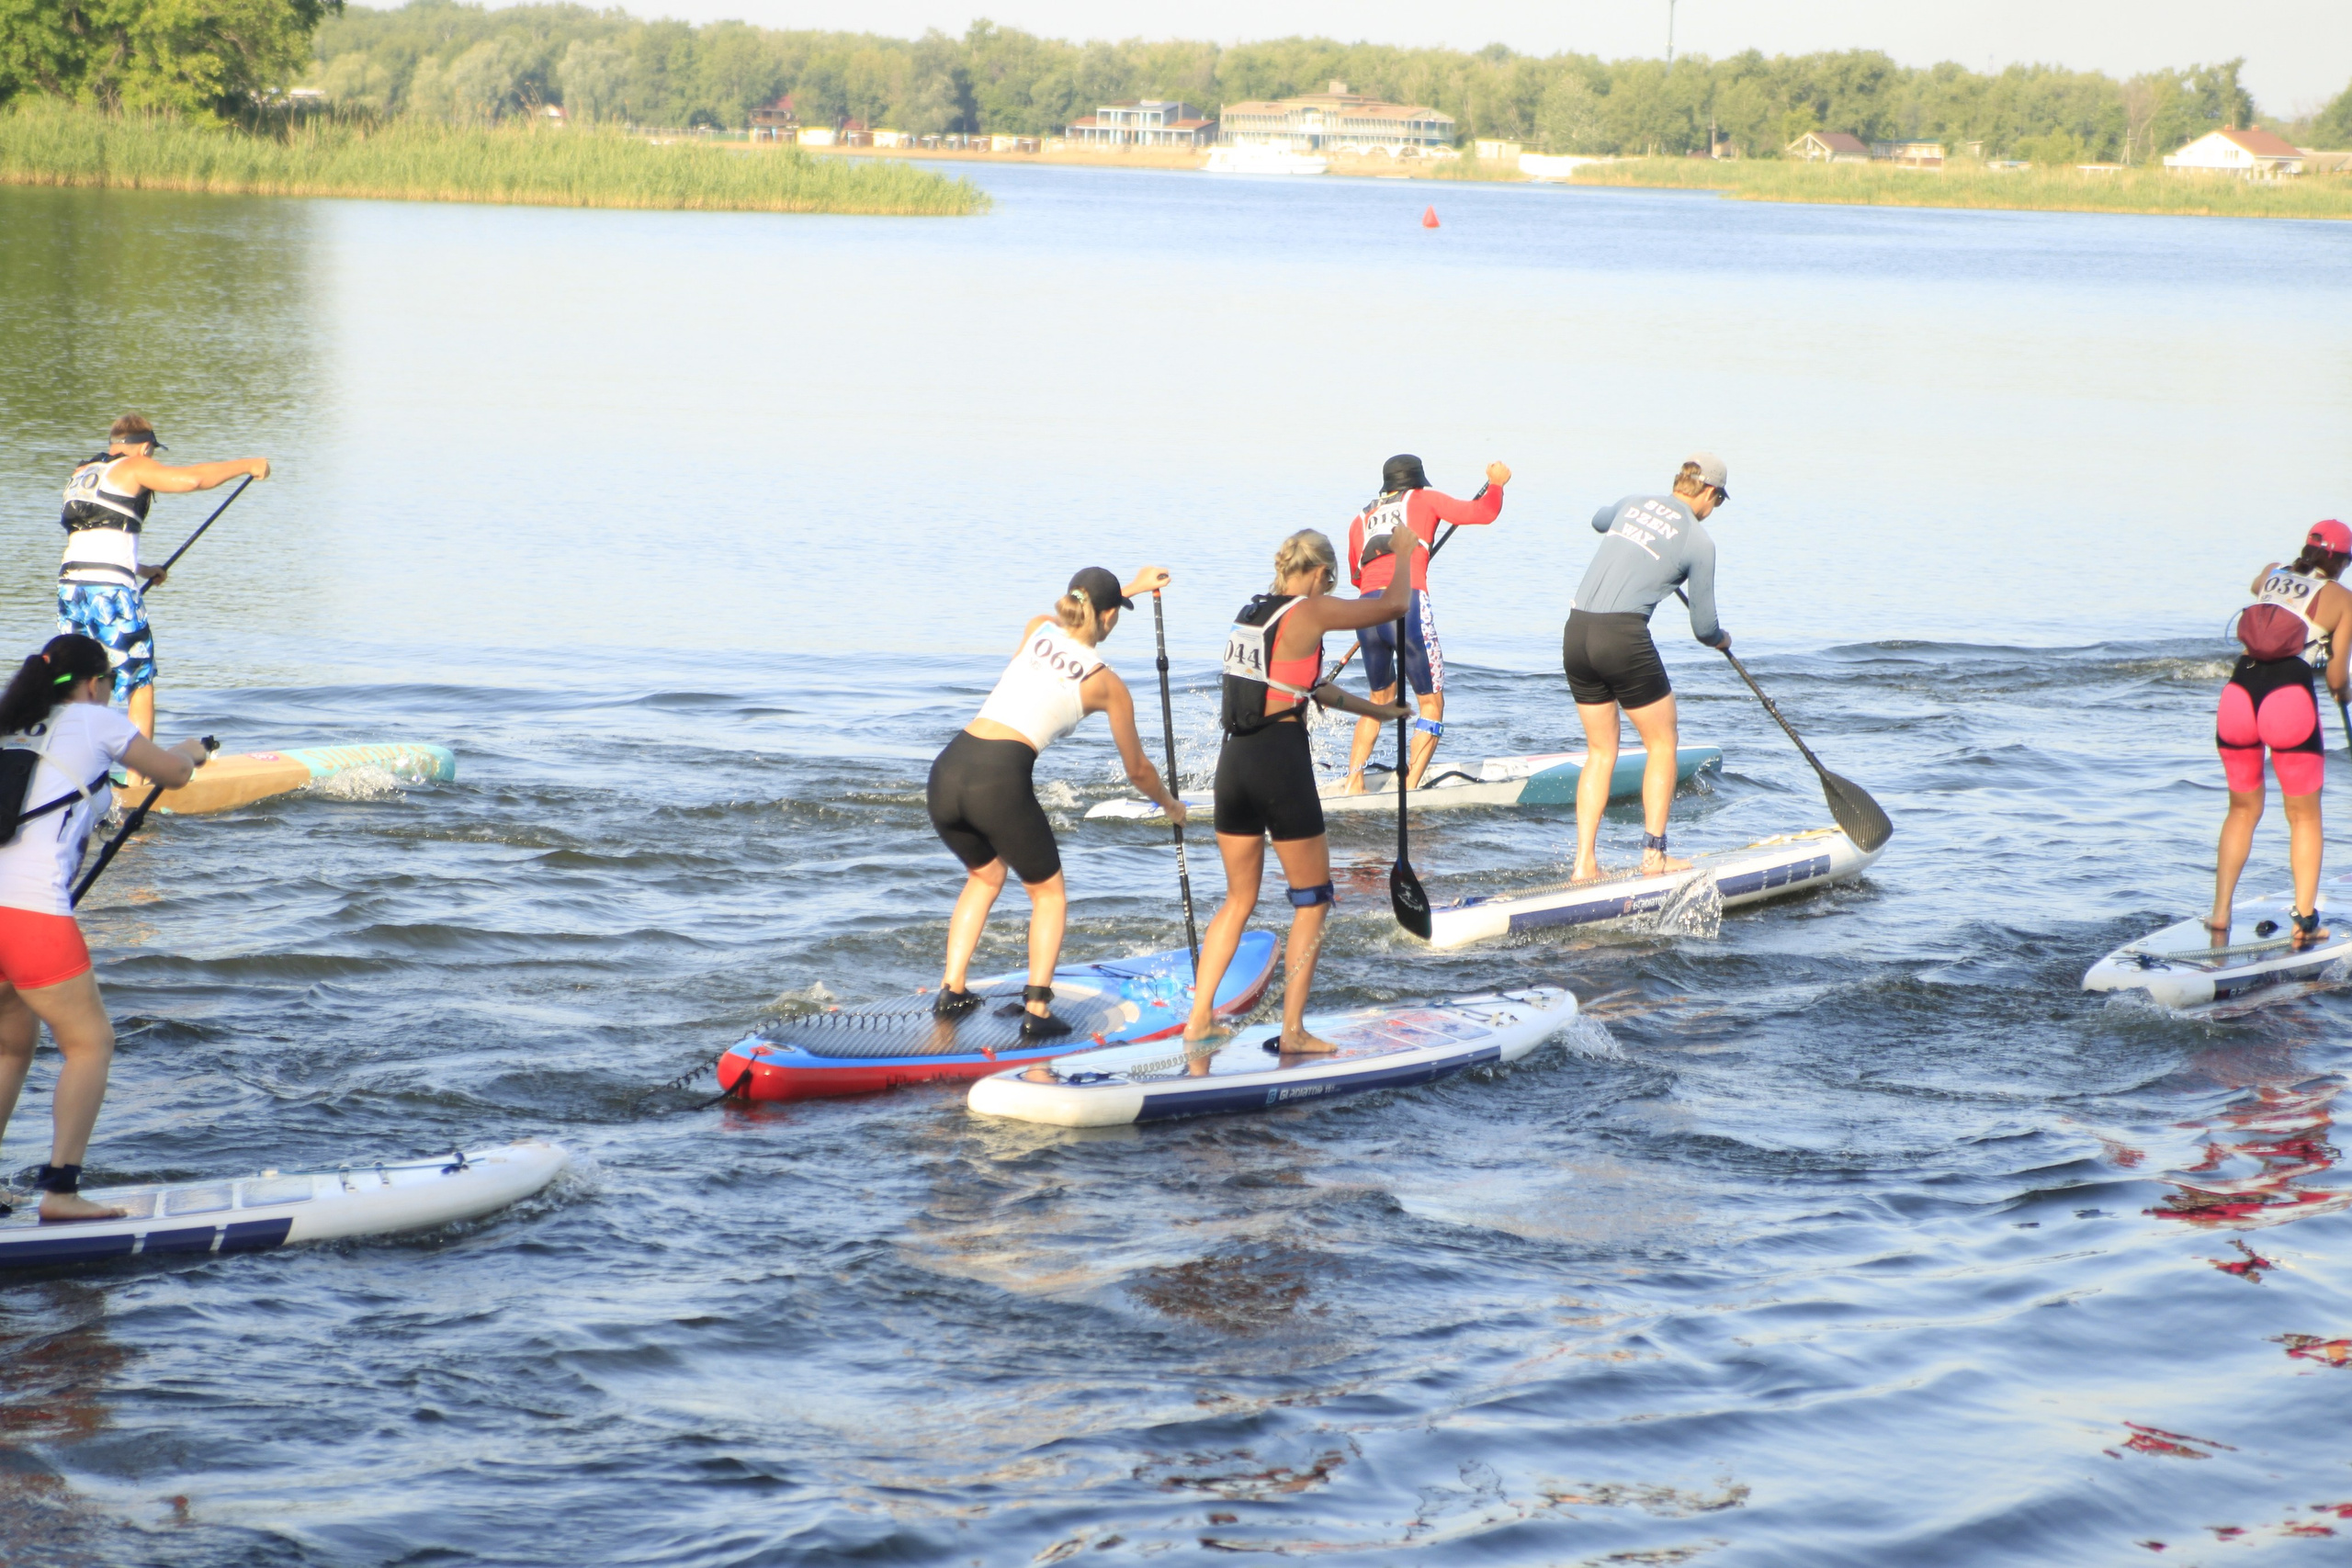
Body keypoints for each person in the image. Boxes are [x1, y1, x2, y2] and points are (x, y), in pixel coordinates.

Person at [1182, 526, 1416, 1057]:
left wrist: (1377, 711)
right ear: (1317, 575)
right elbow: (1395, 603)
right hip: (1278, 764)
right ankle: (1292, 1031)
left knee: (1238, 900)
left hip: (1233, 764)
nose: (1327, 589)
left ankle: (1199, 1020)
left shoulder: (1253, 615)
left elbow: (1303, 686)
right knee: (1313, 899)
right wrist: (1402, 554)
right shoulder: (1310, 611)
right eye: (1328, 581)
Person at [0, 635, 209, 1222]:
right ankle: (61, 1194)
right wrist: (192, 750)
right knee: (91, 1044)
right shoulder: (96, 719)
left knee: (11, 1047)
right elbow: (172, 773)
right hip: (32, 915)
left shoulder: (11, 726)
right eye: (110, 685)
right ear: (95, 685)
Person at [927, 567, 1184, 1039]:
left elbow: (1080, 616)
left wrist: (1127, 588)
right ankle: (1038, 1011)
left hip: (947, 769)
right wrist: (1170, 804)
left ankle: (952, 988)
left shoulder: (1036, 627)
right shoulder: (1107, 683)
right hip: (998, 780)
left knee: (985, 875)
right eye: (1114, 614)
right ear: (1109, 618)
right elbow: (1138, 771)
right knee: (1048, 894)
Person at [1561, 453, 1734, 882]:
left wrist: (1638, 531)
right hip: (1621, 638)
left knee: (1601, 751)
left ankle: (1584, 864)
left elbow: (1601, 520)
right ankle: (1654, 858)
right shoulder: (1699, 541)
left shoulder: (1634, 502)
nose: (1715, 511)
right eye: (1720, 501)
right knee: (1662, 742)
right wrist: (1720, 640)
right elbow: (1703, 626)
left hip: (1576, 631)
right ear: (1709, 492)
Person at [58, 414, 270, 741]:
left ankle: (81, 771)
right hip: (110, 593)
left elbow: (96, 531)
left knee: (83, 684)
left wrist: (142, 569)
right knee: (139, 685)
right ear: (144, 447)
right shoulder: (134, 465)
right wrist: (247, 464)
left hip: (71, 590)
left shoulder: (82, 472)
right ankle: (140, 780)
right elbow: (191, 480)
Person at [2211, 520, 2352, 948]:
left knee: (2241, 810)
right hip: (2288, 698)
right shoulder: (2343, 599)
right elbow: (2335, 678)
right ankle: (2305, 920)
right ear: (2343, 560)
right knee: (2304, 816)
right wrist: (2342, 696)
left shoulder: (2273, 573)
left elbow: (2260, 584)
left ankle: (2220, 915)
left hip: (2237, 694)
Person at [1340, 454, 1510, 794]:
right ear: (1418, 480)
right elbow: (1483, 512)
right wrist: (1497, 484)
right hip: (1408, 605)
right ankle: (1409, 788)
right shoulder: (1424, 498)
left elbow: (1357, 577)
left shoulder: (1360, 518)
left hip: (1367, 610)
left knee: (1377, 700)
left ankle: (1353, 782)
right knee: (1431, 704)